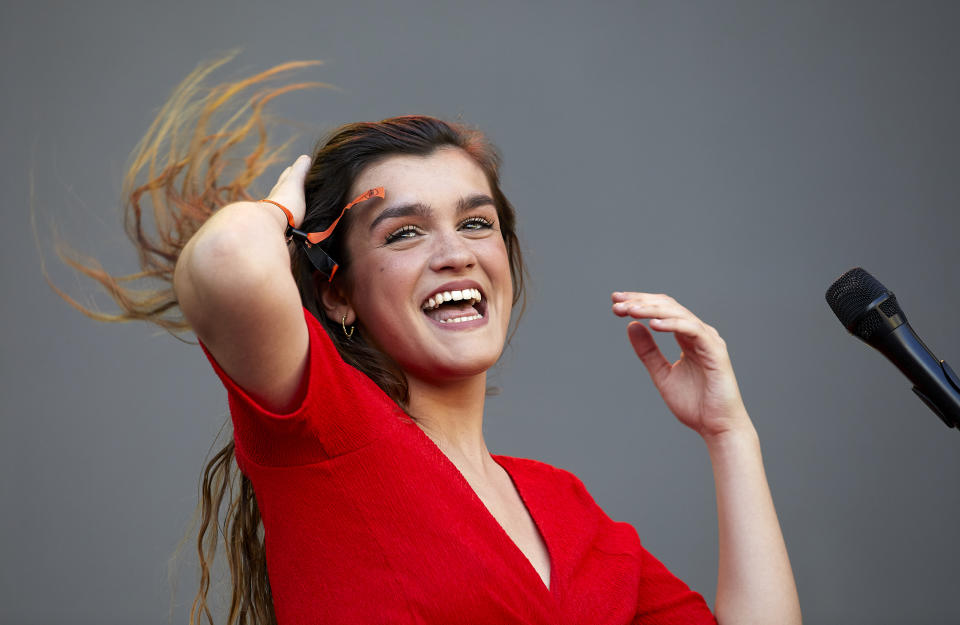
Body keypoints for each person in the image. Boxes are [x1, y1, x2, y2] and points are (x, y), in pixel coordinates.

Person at [53, 57, 801, 624]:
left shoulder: (568, 507)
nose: (456, 252)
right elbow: (226, 263)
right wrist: (285, 206)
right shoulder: (328, 431)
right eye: (404, 231)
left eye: (477, 222)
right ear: (338, 290)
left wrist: (729, 432)